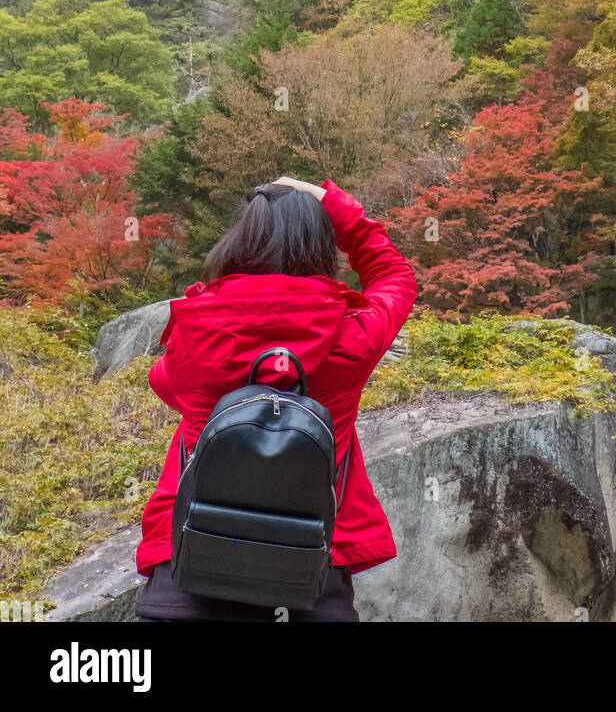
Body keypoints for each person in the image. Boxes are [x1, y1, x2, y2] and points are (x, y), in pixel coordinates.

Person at [135, 175, 417, 622]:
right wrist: (338, 206)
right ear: (321, 246)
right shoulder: (352, 335)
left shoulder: (195, 327)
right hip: (311, 568)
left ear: (239, 241)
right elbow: (395, 275)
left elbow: (164, 384)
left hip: (188, 561)